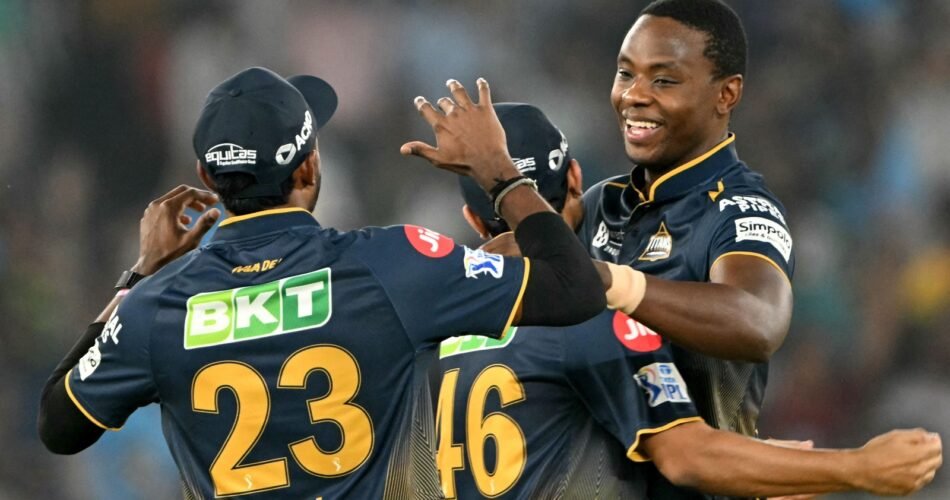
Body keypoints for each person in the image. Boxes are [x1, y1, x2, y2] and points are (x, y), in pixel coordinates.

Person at [37, 67, 607, 499]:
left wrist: (140, 273)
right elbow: (575, 288)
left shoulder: (155, 308)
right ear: (309, 167)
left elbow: (58, 426)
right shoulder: (393, 265)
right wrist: (500, 174)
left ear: (207, 177)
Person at [436, 102, 943, 499]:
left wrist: (758, 465)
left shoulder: (429, 317)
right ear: (575, 178)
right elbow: (687, 457)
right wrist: (856, 467)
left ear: (474, 220)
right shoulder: (590, 313)